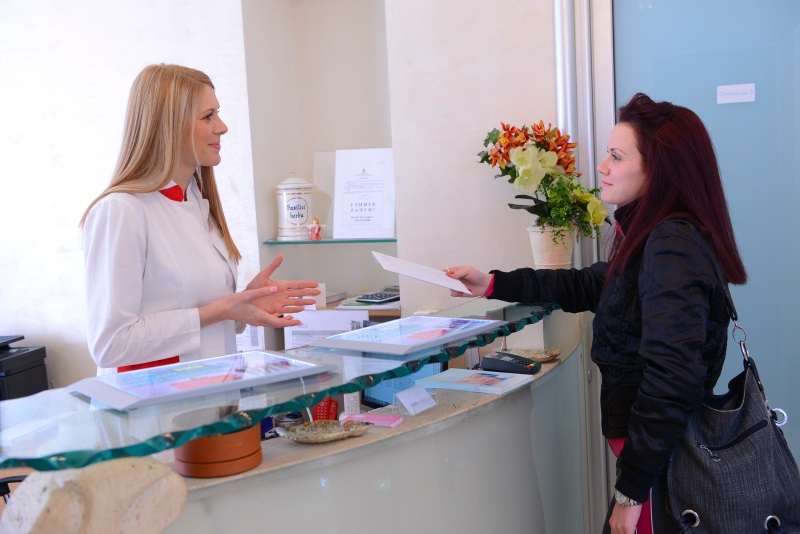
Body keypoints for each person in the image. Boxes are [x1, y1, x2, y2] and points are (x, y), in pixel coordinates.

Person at [445, 93, 747, 534]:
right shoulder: (654, 234)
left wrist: (630, 494)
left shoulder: (672, 244)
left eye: (616, 156)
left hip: (656, 464)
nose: (602, 167)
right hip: (651, 461)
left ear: (659, 169)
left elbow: (673, 375)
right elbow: (591, 284)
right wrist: (492, 282)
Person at [80, 64, 319, 375]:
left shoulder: (195, 200)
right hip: (156, 399)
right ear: (168, 126)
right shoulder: (121, 211)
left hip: (215, 390)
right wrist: (221, 310)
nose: (222, 127)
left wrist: (245, 304)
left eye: (218, 114)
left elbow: (208, 315)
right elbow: (110, 345)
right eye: (208, 116)